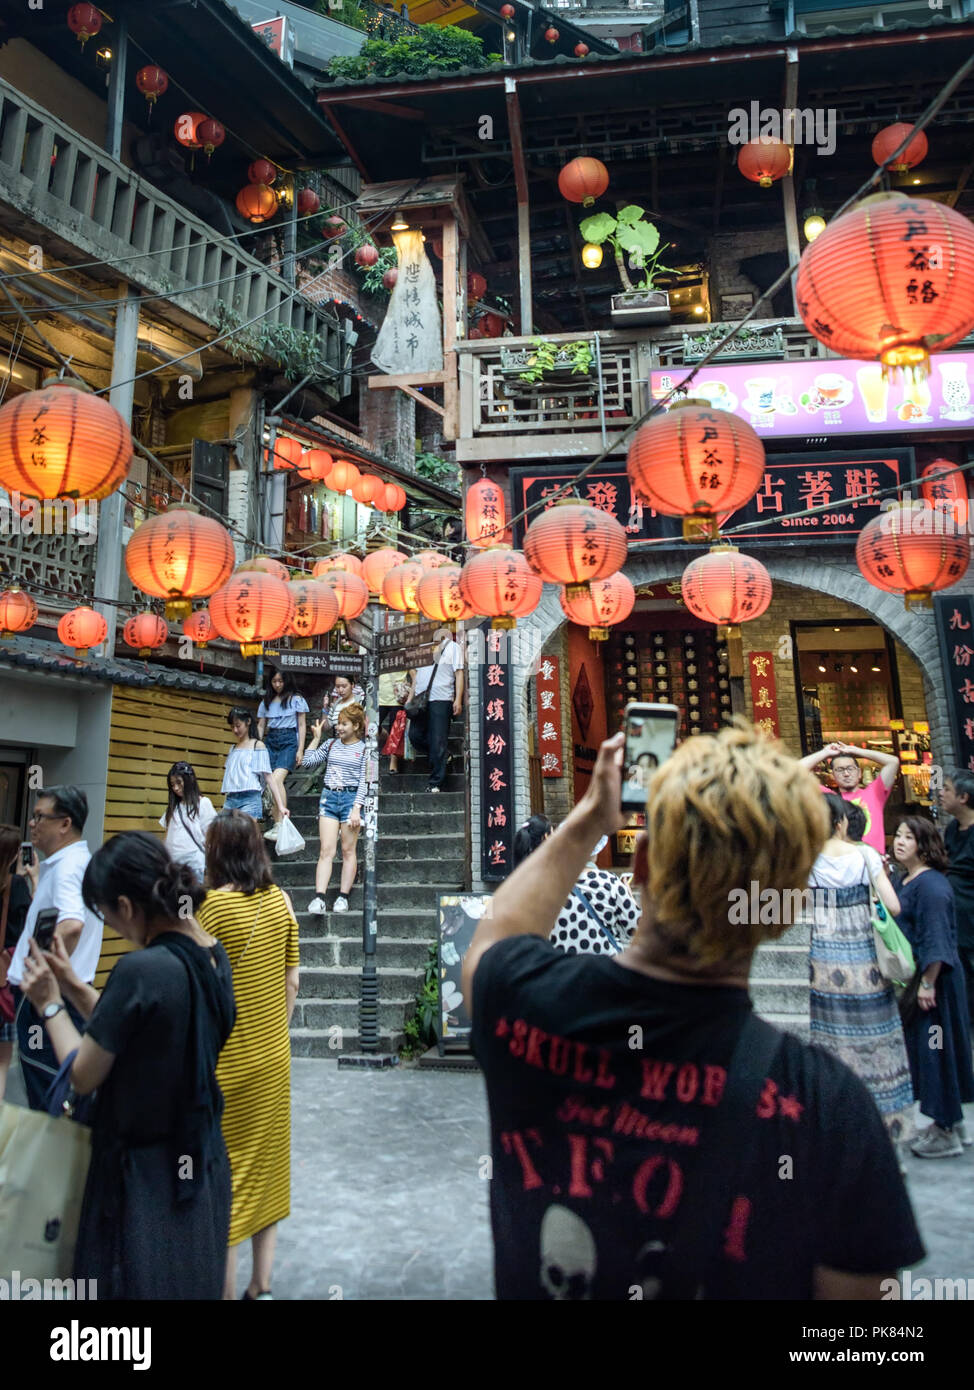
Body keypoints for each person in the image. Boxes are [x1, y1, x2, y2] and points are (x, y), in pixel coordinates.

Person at [462, 723, 924, 1299]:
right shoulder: (829, 1105)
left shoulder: (528, 1007)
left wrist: (588, 821)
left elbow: (491, 942)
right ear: (786, 906)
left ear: (641, 865)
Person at [18, 832, 235, 1299]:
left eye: (108, 915)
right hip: (200, 1163)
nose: (113, 927)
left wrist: (50, 1005)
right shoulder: (213, 956)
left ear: (126, 904)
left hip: (143, 1181)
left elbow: (84, 1074)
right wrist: (74, 985)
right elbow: (140, 1024)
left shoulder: (143, 969)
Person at [197, 811, 300, 1300]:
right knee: (267, 1166)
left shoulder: (211, 908)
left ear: (218, 852)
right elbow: (292, 981)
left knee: (226, 1178)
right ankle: (261, 1285)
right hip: (272, 1058)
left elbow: (195, 980)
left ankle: (223, 1290)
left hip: (225, 1061)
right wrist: (274, 1029)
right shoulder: (281, 901)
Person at [807, 793, 913, 1143]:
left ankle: (839, 1130)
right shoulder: (866, 855)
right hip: (867, 961)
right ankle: (887, 1130)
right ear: (841, 822)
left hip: (826, 963)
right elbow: (894, 907)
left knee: (832, 1040)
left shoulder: (808, 861)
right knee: (878, 1038)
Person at [6, 786, 103, 1109]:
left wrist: (41, 973)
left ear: (65, 823)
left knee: (47, 1084)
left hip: (47, 996)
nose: (32, 824)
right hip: (62, 992)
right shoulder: (73, 863)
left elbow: (72, 924)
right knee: (51, 1080)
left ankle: (52, 1155)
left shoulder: (66, 868)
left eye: (39, 817)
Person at [891, 816, 974, 1159]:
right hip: (921, 979)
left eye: (908, 837)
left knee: (935, 1052)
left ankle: (945, 1130)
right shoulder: (906, 880)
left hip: (934, 982)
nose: (899, 842)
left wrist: (928, 983)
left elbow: (937, 938)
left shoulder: (932, 887)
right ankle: (950, 1123)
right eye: (897, 835)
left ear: (924, 845)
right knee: (931, 1052)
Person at [514, 817, 639, 957]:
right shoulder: (610, 883)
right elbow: (637, 929)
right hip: (602, 972)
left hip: (561, 972)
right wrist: (630, 898)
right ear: (595, 848)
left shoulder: (545, 886)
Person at [302, 706, 369, 915]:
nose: (339, 727)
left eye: (344, 724)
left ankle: (343, 896)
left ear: (356, 726)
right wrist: (315, 738)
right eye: (338, 723)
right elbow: (307, 762)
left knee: (348, 850)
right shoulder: (330, 744)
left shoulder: (365, 750)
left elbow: (365, 782)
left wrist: (357, 808)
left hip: (351, 799)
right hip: (329, 797)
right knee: (326, 850)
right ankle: (319, 897)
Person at [799, 740, 900, 854]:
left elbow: (893, 761)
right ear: (833, 776)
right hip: (843, 864)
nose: (846, 774)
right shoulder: (829, 798)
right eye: (840, 770)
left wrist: (856, 751)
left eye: (850, 768)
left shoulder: (875, 792)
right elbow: (794, 771)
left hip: (874, 865)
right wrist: (825, 752)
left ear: (859, 773)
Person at [939, 769, 974, 1029]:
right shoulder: (952, 828)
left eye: (947, 789)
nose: (941, 793)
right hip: (956, 922)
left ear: (963, 797)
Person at [410, 626, 464, 794]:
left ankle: (436, 782)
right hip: (421, 700)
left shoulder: (452, 647)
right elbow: (415, 673)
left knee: (438, 740)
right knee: (415, 736)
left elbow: (459, 674)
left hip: (442, 699)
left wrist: (458, 699)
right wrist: (411, 696)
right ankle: (442, 755)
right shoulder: (421, 648)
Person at [257, 667, 309, 840]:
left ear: (287, 681)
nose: (278, 684)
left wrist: (301, 749)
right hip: (271, 740)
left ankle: (281, 824)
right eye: (274, 681)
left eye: (281, 681)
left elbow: (301, 725)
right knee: (269, 780)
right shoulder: (267, 701)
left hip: (288, 739)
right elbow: (261, 725)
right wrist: (256, 746)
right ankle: (277, 823)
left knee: (277, 779)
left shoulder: (296, 699)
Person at [0, 822, 31, 1099]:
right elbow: (28, 928)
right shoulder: (18, 885)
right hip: (4, 978)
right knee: (2, 1063)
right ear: (13, 856)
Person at [222, 707, 288, 824]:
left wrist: (281, 806)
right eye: (232, 727)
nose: (235, 730)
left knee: (246, 836)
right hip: (231, 798)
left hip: (250, 798)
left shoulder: (258, 746)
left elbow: (269, 777)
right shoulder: (232, 749)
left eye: (238, 725)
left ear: (248, 722)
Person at [160, 761, 217, 881]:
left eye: (179, 783)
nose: (175, 788)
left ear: (189, 780)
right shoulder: (174, 806)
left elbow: (212, 836)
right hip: (171, 865)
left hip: (192, 865)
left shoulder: (203, 803)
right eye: (172, 784)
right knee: (175, 899)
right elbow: (167, 836)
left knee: (186, 899)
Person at [381, 676, 414, 774]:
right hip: (379, 696)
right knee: (371, 725)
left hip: (397, 697)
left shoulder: (402, 659)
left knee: (395, 729)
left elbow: (415, 675)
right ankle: (387, 737)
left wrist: (410, 697)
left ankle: (393, 761)